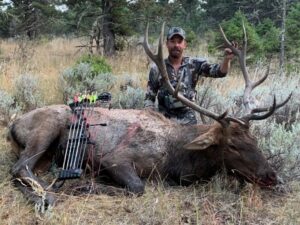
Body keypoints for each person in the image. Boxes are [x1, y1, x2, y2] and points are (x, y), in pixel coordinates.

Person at [144, 26, 235, 125]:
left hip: (189, 124)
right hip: (164, 123)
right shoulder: (156, 69)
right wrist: (151, 119)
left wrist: (227, 59)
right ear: (167, 44)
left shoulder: (194, 64)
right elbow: (149, 98)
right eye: (173, 41)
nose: (176, 45)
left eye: (179, 42)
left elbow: (219, 72)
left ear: (185, 45)